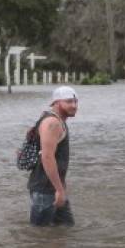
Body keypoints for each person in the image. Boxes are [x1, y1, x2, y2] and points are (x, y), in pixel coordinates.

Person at [28, 86, 78, 226]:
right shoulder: (53, 123)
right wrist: (59, 190)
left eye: (75, 101)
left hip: (51, 188)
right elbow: (47, 157)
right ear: (56, 102)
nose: (74, 105)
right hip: (46, 190)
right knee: (39, 235)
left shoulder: (55, 121)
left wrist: (61, 187)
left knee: (65, 229)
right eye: (69, 101)